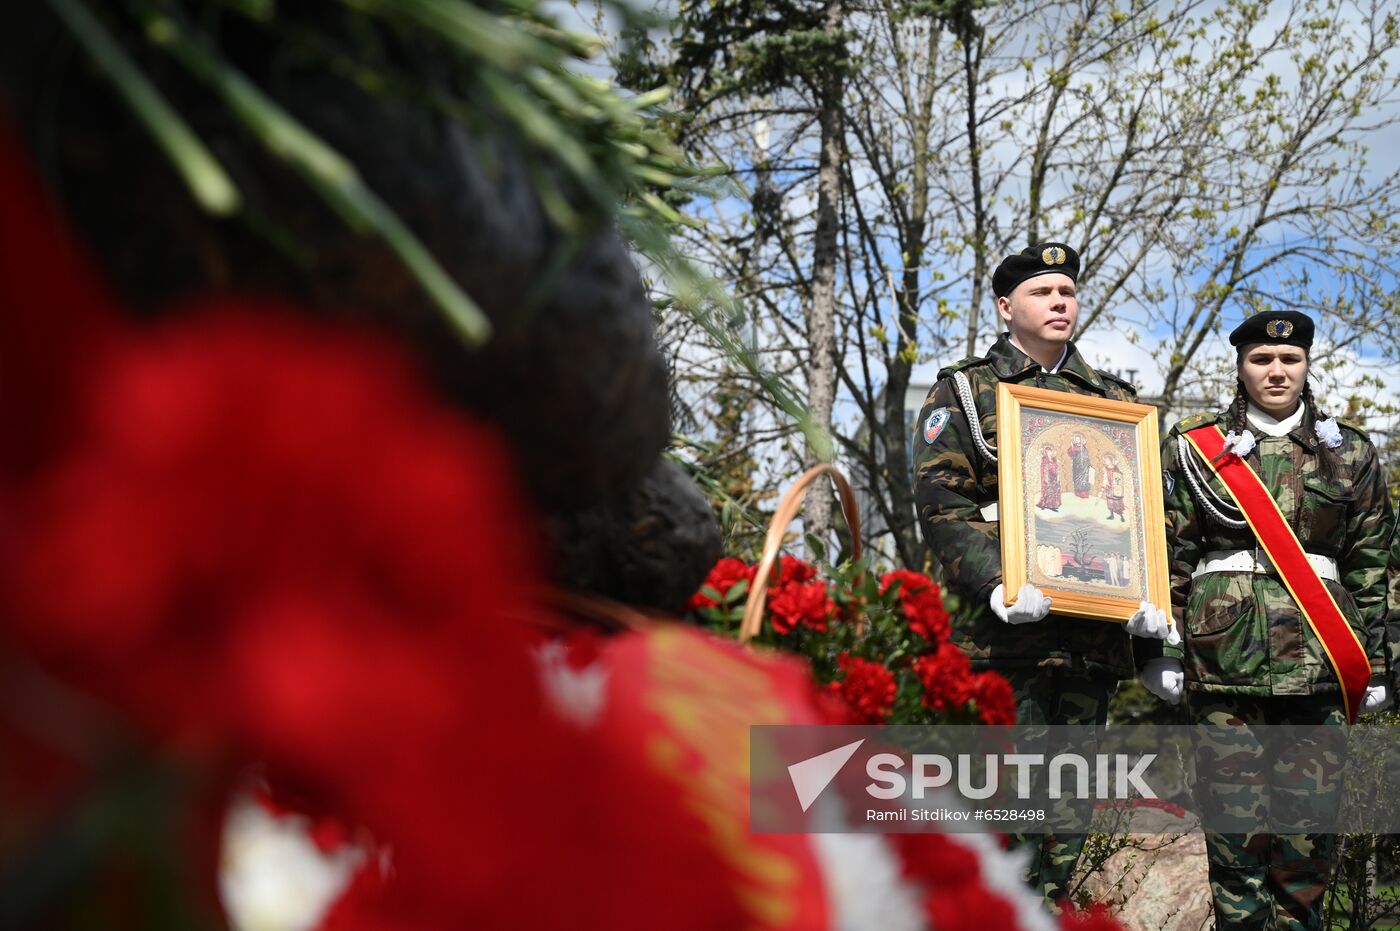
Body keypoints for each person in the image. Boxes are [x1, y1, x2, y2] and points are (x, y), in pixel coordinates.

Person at [911, 241, 1176, 904]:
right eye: (1042, 292)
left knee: (1063, 833)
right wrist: (996, 581)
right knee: (991, 825)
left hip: (1087, 649)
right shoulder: (967, 391)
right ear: (1006, 307)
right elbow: (942, 501)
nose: (1060, 301)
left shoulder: (1116, 403)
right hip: (998, 643)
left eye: (1068, 291)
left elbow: (1143, 517)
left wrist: (1148, 621)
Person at [1143, 310, 1394, 930]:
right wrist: (1159, 651)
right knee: (1234, 848)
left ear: (1307, 365)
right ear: (1240, 367)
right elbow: (1167, 552)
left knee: (1307, 854)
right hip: (1222, 665)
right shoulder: (1193, 448)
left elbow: (1374, 563)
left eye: (1289, 360)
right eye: (1261, 359)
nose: (1276, 371)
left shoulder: (1351, 452)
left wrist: (1383, 662)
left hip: (1321, 666)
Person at [1037, 446, 1062, 512]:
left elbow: (1057, 468)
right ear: (1045, 452)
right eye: (1047, 451)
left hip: (1054, 477)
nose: (1049, 452)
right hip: (1048, 477)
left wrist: (1058, 476)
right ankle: (1046, 504)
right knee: (1048, 491)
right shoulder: (1044, 459)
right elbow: (1044, 469)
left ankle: (1053, 505)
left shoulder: (1054, 459)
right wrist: (1045, 477)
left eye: (1050, 451)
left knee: (1055, 490)